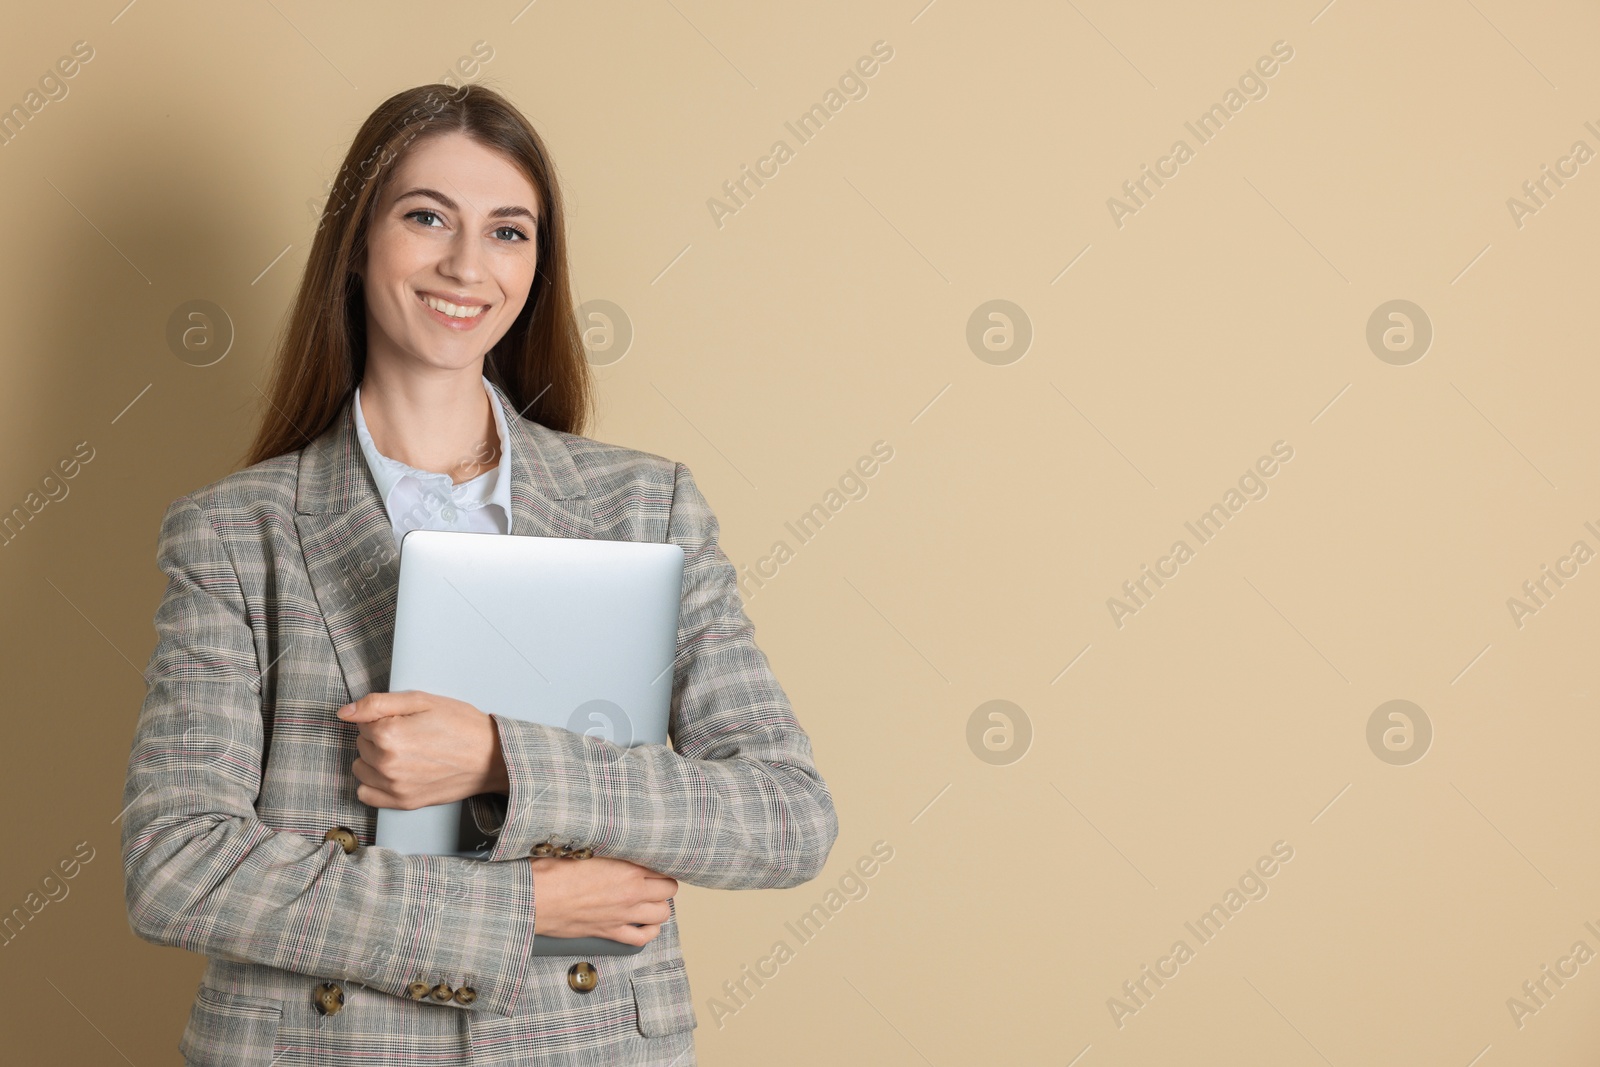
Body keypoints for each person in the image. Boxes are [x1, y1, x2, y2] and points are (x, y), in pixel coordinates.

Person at [119, 81, 838, 1067]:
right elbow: (177, 865)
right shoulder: (233, 533)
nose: (467, 265)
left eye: (509, 232)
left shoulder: (643, 507)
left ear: (538, 265)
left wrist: (503, 757)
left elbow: (785, 815)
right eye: (427, 218)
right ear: (359, 241)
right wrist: (523, 905)